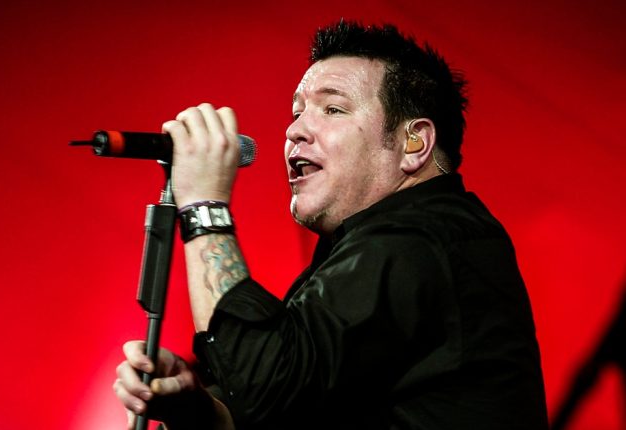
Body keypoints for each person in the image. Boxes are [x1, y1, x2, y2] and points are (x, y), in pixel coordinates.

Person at [113, 19, 549, 429]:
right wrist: (200, 412)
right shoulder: (382, 247)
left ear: (413, 143)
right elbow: (291, 408)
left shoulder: (424, 239)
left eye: (333, 109)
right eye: (297, 112)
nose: (295, 131)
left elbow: (268, 386)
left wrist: (205, 205)